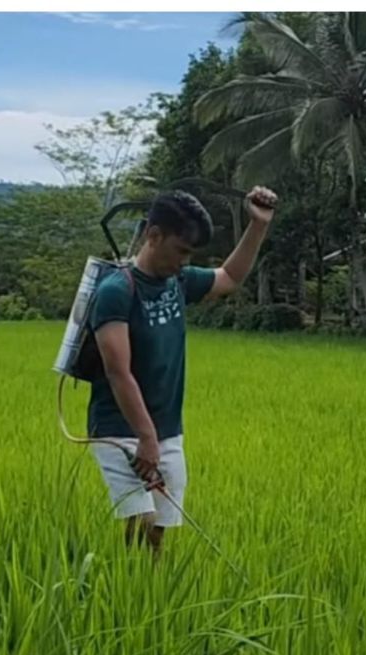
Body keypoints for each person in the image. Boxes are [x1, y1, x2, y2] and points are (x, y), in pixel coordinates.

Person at [86, 186, 277, 558]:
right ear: (153, 236)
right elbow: (118, 372)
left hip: (166, 429)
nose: (184, 261)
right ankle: (127, 593)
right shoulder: (116, 291)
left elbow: (230, 278)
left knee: (158, 530)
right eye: (182, 250)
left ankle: (151, 595)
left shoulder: (178, 282)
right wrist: (146, 438)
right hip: (120, 429)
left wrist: (258, 226)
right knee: (139, 521)